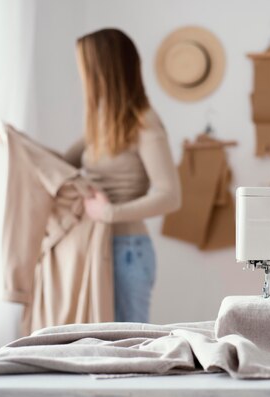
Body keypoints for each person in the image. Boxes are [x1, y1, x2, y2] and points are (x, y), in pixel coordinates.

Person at [64, 28, 181, 323]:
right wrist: (16, 143)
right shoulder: (102, 123)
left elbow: (170, 196)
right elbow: (61, 164)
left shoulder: (143, 122)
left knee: (128, 348)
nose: (82, 77)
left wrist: (110, 212)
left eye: (85, 68)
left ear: (104, 71)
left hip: (127, 251)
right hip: (98, 246)